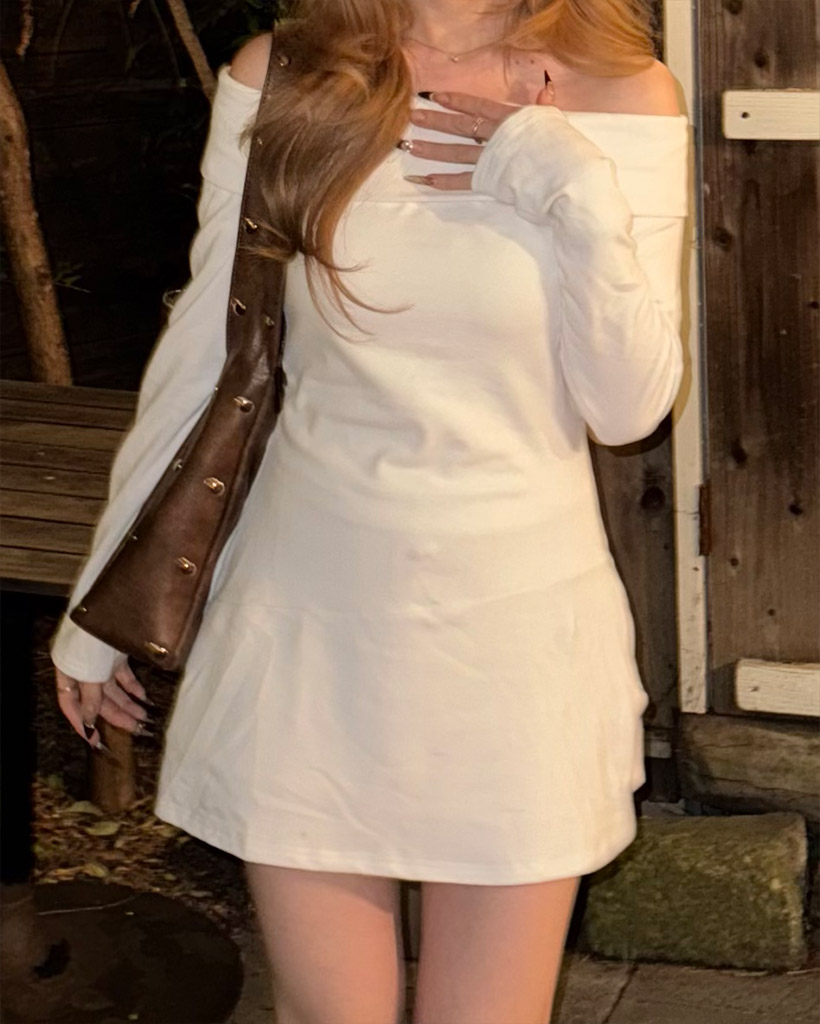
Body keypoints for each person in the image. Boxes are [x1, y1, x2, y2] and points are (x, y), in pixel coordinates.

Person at [51, 1, 688, 1021]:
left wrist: (562, 181)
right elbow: (209, 356)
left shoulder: (620, 91)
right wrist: (100, 604)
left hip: (516, 647)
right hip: (308, 633)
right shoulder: (285, 73)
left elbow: (628, 407)